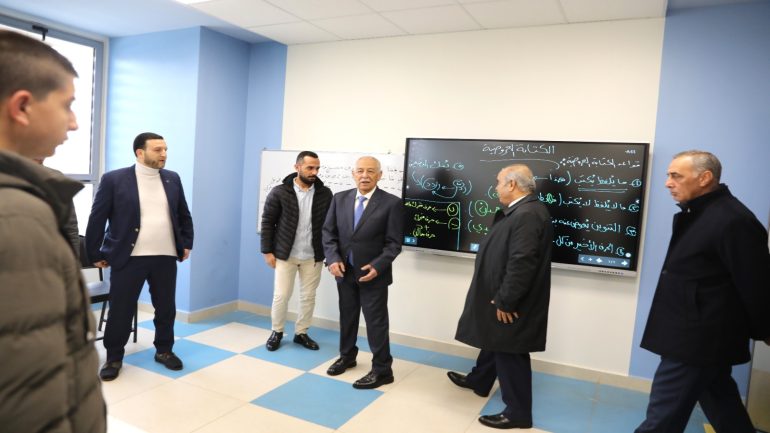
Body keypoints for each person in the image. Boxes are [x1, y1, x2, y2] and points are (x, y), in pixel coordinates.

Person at [0, 30, 106, 432]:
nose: (75, 123)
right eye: (68, 105)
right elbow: (32, 391)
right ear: (23, 107)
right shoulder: (18, 218)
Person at [635, 150, 770, 433]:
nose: (668, 182)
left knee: (661, 420)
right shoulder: (700, 214)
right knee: (724, 406)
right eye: (668, 175)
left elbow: (756, 282)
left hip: (696, 339)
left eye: (676, 176)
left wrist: (766, 329)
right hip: (698, 335)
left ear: (705, 178)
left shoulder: (734, 220)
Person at [449, 164, 553, 430]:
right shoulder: (520, 210)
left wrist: (507, 300)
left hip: (510, 300)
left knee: (511, 351)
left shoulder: (527, 214)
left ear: (512, 184)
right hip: (499, 293)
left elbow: (522, 262)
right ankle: (480, 380)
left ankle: (518, 413)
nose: (495, 188)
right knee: (495, 340)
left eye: (498, 182)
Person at [85, 132, 194, 381]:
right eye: (158, 150)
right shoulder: (114, 179)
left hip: (165, 256)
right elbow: (97, 217)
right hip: (128, 257)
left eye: (165, 149)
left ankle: (164, 350)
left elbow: (183, 214)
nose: (164, 154)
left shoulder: (172, 178)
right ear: (140, 152)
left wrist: (186, 243)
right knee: (121, 310)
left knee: (166, 308)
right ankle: (114, 357)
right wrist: (94, 253)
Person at [322, 156, 404, 389]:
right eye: (360, 171)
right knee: (347, 318)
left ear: (380, 175)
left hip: (373, 275)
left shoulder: (392, 203)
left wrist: (378, 266)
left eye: (370, 171)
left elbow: (393, 243)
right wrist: (332, 259)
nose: (365, 175)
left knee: (376, 323)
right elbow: (328, 233)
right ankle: (347, 357)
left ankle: (383, 370)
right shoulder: (339, 199)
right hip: (344, 272)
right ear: (353, 174)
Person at [261, 151, 333, 351]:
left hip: (313, 256)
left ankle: (301, 333)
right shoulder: (279, 192)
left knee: (308, 297)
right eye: (310, 168)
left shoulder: (325, 194)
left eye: (317, 168)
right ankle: (277, 331)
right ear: (297, 167)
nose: (314, 172)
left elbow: (330, 225)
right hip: (285, 255)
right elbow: (267, 222)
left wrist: (330, 253)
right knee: (281, 296)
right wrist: (267, 251)